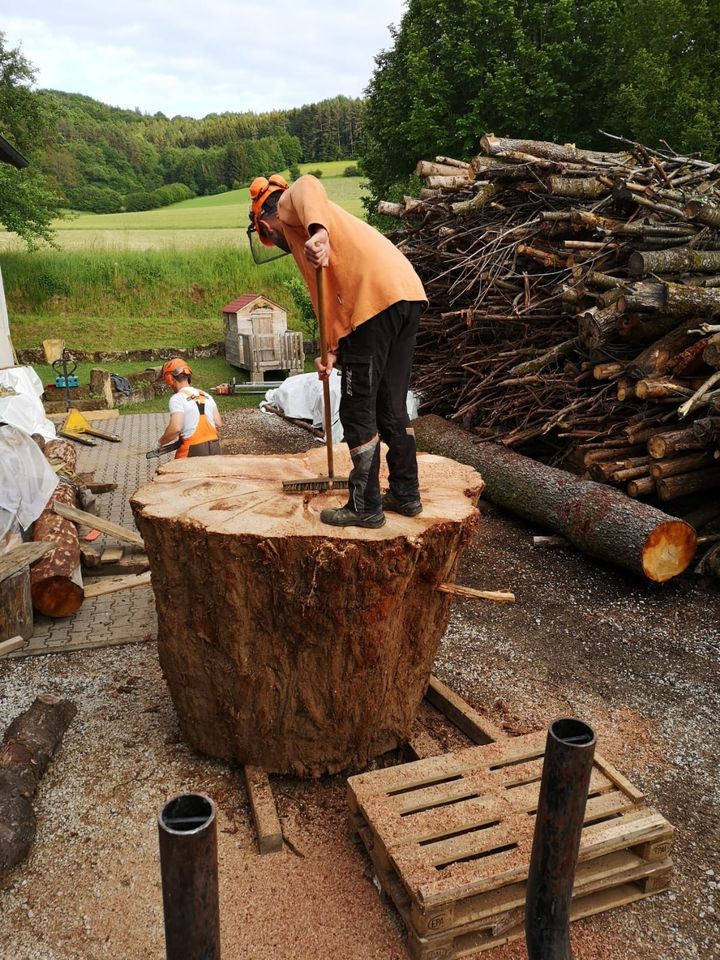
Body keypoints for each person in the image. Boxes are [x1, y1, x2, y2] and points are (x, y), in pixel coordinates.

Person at [248, 173, 427, 528]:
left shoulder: (290, 208)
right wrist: (331, 351)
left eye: (267, 236)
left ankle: (365, 506)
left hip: (372, 302)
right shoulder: (312, 239)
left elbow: (307, 184)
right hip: (404, 294)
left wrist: (319, 232)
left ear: (265, 223)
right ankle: (407, 495)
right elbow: (328, 300)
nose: (274, 241)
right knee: (390, 406)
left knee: (357, 410)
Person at [156, 359, 221, 458]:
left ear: (169, 379)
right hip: (214, 447)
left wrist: (160, 443)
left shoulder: (177, 398)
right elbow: (218, 422)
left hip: (192, 448)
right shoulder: (205, 395)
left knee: (178, 473)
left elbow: (176, 428)